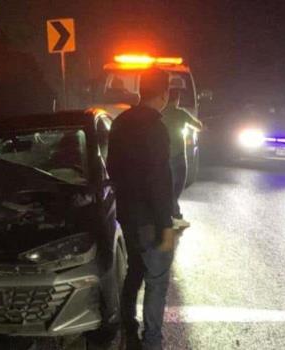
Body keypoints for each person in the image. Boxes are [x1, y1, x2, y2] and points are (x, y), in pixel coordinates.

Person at [107, 69, 182, 350]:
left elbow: (111, 167)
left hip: (127, 214)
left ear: (141, 91)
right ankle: (152, 343)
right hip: (151, 218)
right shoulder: (156, 127)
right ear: (164, 94)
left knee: (134, 272)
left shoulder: (120, 123)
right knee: (157, 281)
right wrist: (167, 224)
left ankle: (129, 330)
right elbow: (159, 179)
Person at [160, 89, 194, 222]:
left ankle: (171, 210)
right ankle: (173, 210)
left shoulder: (160, 114)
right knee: (178, 184)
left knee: (167, 184)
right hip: (179, 156)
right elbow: (198, 126)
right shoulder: (181, 114)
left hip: (164, 156)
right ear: (177, 99)